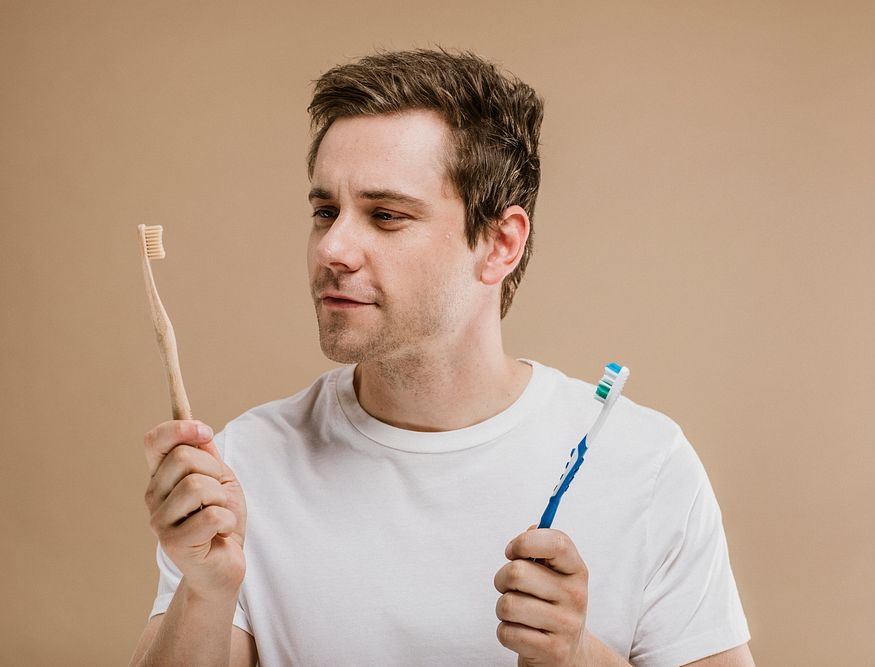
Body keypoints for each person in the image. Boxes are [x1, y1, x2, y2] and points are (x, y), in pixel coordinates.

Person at [129, 49, 754, 667]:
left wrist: (579, 658)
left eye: (386, 215)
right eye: (325, 211)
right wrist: (206, 593)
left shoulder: (646, 465)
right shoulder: (240, 470)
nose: (333, 248)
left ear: (499, 244)